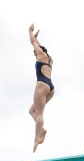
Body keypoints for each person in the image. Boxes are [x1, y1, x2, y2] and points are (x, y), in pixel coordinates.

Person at [28, 24, 55, 153]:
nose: (35, 55)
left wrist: (30, 32)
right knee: (31, 110)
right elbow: (43, 48)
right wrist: (37, 39)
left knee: (39, 114)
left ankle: (36, 138)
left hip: (42, 85)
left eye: (35, 53)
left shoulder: (40, 54)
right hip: (51, 87)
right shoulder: (50, 59)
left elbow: (33, 42)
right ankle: (42, 129)